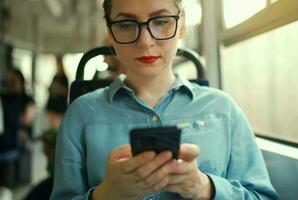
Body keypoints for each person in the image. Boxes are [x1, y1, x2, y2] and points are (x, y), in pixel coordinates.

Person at [51, 0, 278, 199]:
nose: (145, 41)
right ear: (110, 33)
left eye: (161, 21)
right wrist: (105, 195)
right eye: (126, 25)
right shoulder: (81, 115)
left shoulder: (224, 110)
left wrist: (203, 188)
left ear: (182, 24)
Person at [25, 95, 67, 200]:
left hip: (57, 179)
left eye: (49, 115)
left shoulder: (53, 134)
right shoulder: (65, 131)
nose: (48, 118)